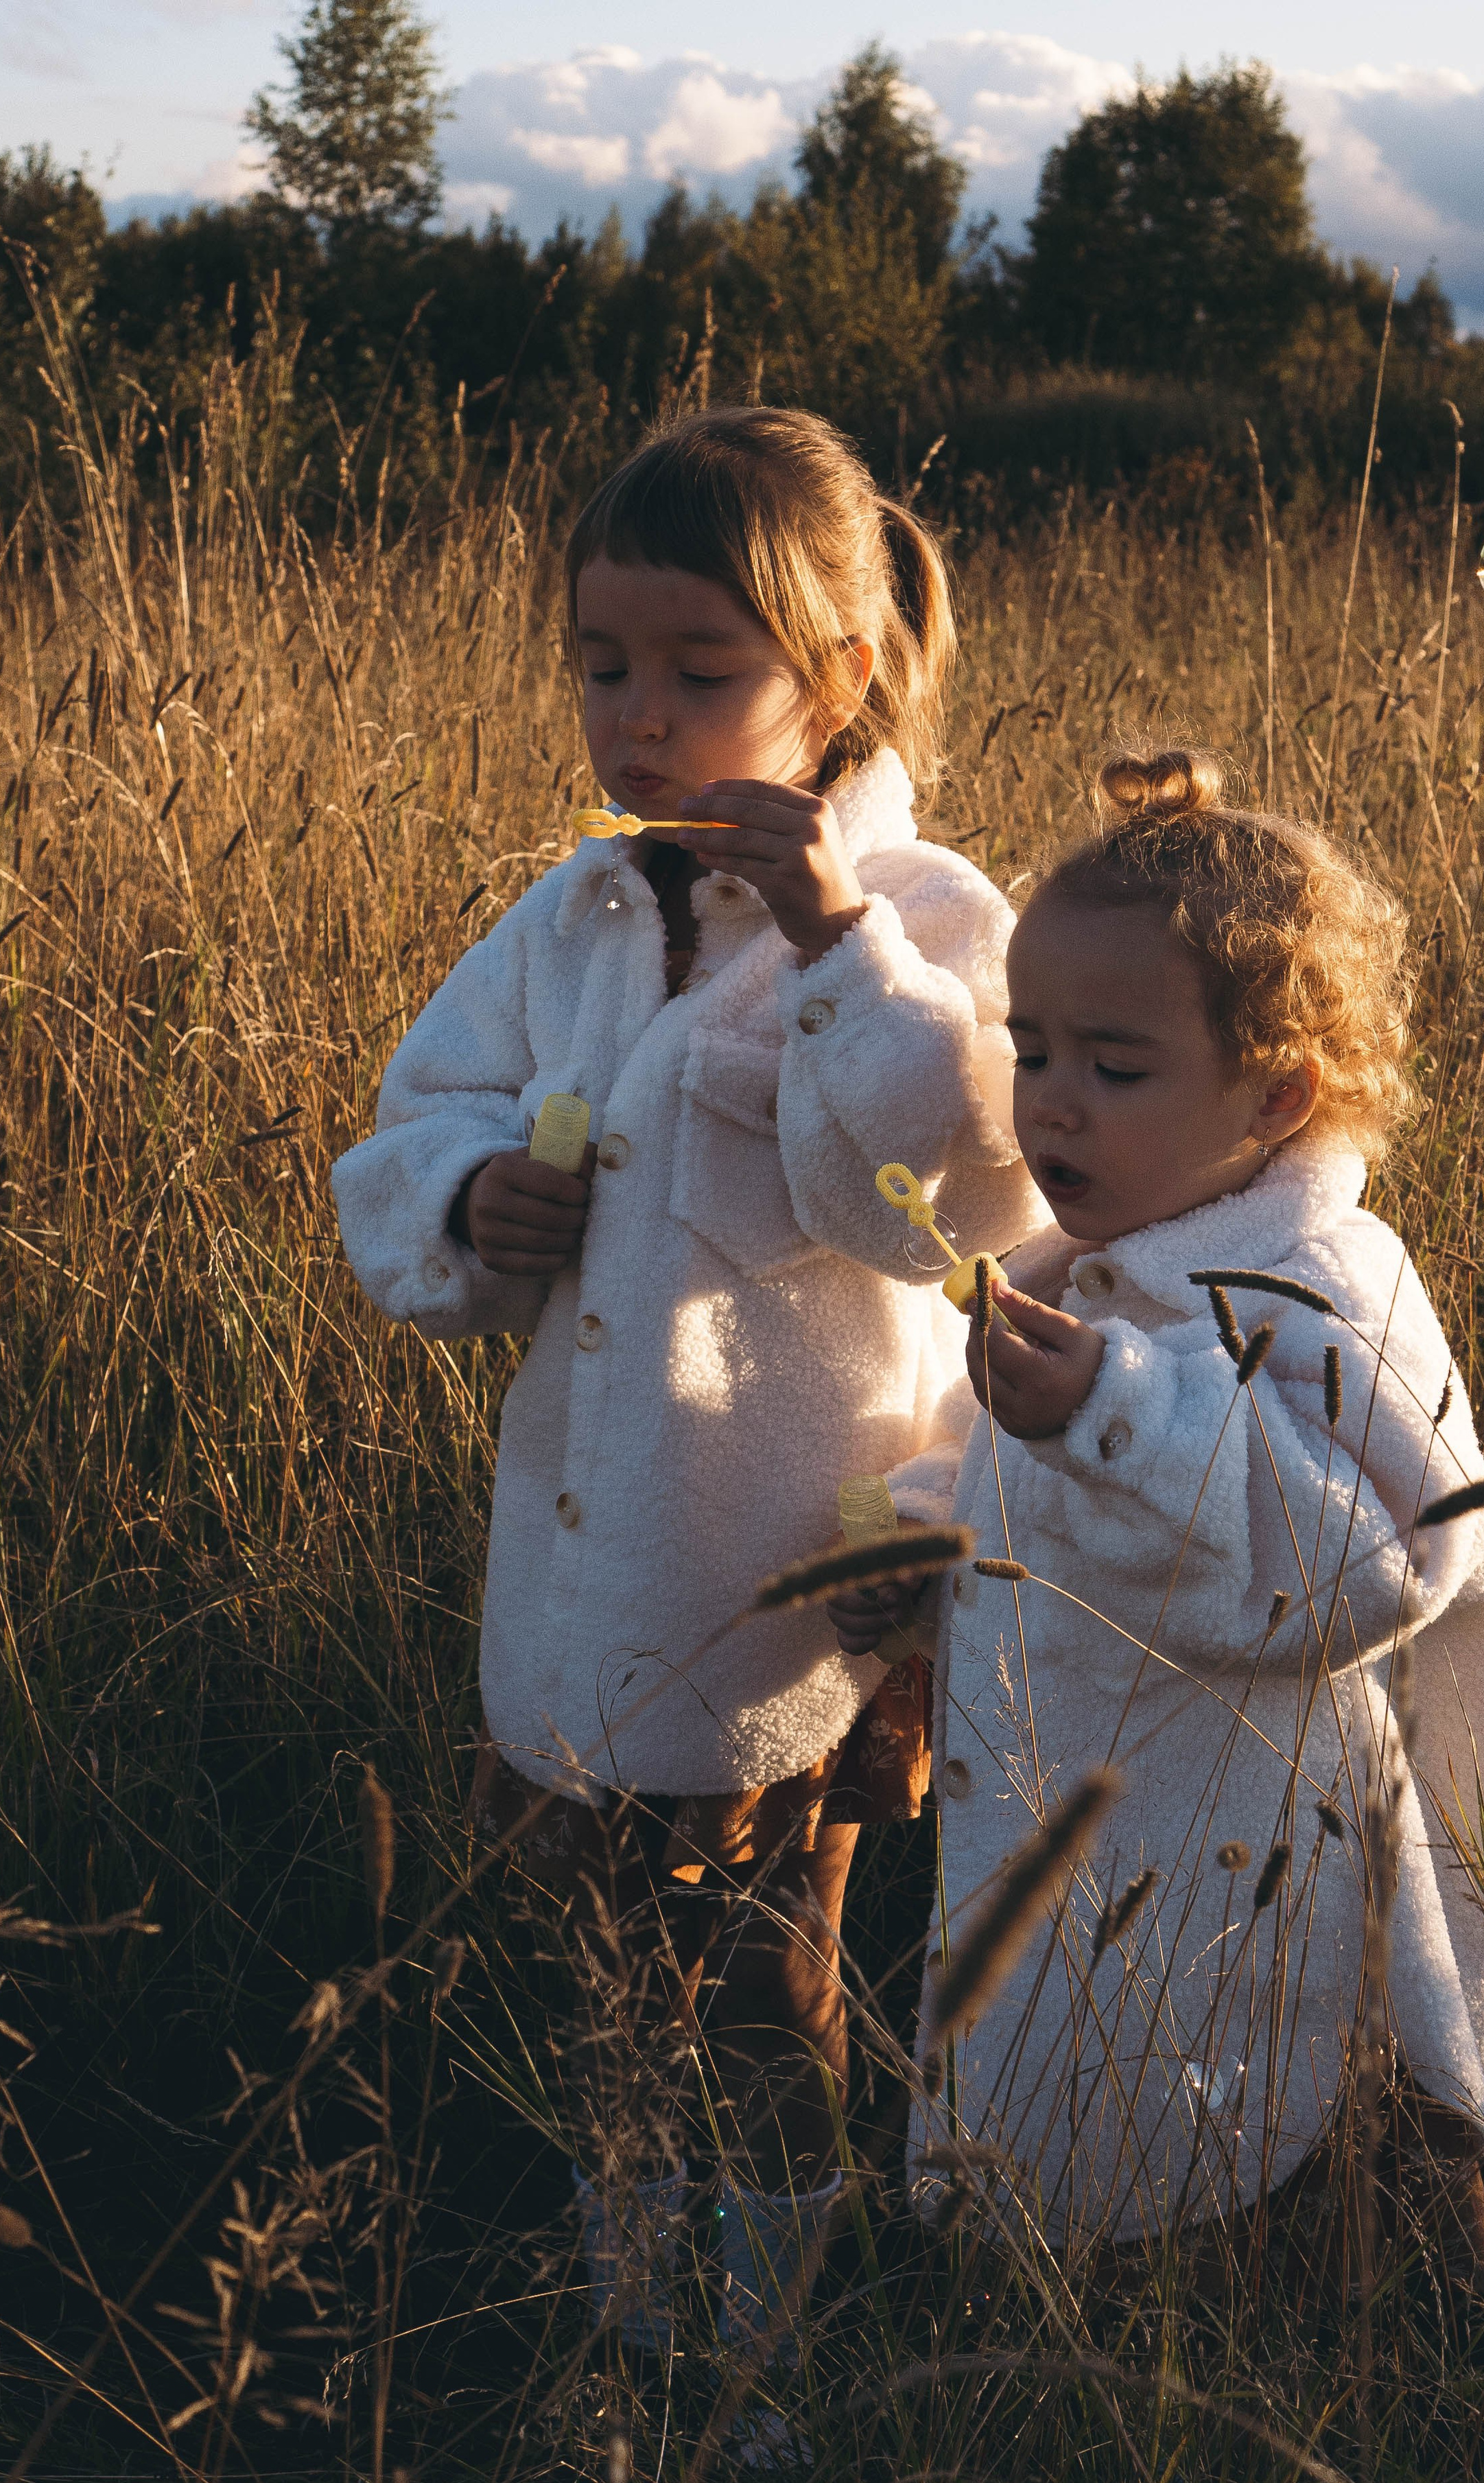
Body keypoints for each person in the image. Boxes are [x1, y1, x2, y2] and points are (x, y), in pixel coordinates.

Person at [332, 406, 1037, 2364]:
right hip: (585, 1569)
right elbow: (412, 1121)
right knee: (608, 1981)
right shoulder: (573, 919)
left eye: (700, 673)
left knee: (764, 1980)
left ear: (845, 677)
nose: (637, 717)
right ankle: (644, 2330)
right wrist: (474, 1195)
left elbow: (951, 1197)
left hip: (775, 1582)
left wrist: (833, 942)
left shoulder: (935, 919)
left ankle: (769, 2373)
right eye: (602, 665)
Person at [832, 749, 1484, 2294]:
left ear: (1274, 1094)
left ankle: (1343, 2397)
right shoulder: (1098, 1264)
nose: (1050, 1103)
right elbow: (1011, 1477)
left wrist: (1114, 1412)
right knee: (1084, 2114)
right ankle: (1071, 2375)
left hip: (1255, 1860)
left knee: (1271, 2175)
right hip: (1073, 1824)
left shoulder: (1317, 1289)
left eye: (1114, 1066)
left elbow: (1383, 1562)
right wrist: (926, 1551)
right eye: (1032, 1048)